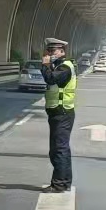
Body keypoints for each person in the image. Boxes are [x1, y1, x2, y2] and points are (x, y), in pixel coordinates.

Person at [39, 37, 76, 192]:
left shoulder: (65, 67)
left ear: (62, 51)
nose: (50, 54)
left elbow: (51, 79)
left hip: (62, 112)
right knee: (60, 149)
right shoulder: (58, 66)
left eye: (53, 51)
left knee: (59, 149)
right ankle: (64, 182)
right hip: (57, 111)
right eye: (48, 51)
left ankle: (59, 184)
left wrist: (45, 65)